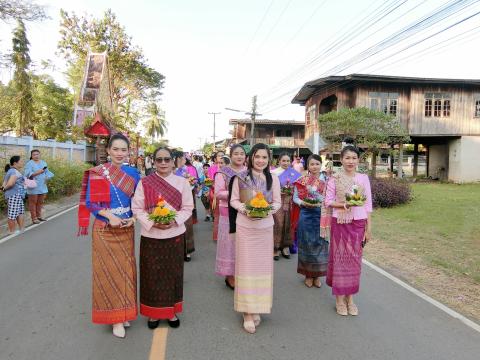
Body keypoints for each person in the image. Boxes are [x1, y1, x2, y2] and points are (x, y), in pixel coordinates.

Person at [77, 133, 140, 338]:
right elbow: (91, 203)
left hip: (126, 228)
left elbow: (138, 201)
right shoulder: (98, 172)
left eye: (124, 149)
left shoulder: (134, 173)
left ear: (128, 151)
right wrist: (109, 216)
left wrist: (135, 218)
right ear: (109, 151)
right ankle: (114, 320)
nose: (120, 153)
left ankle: (124, 312)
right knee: (108, 272)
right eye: (116, 149)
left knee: (126, 272)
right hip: (105, 229)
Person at [132, 147, 193, 329]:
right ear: (154, 162)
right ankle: (153, 313)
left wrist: (173, 221)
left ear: (173, 161)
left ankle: (171, 311)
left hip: (174, 234)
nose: (164, 163)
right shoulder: (145, 183)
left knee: (173, 274)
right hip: (151, 235)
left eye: (167, 159)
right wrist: (153, 222)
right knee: (152, 274)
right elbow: (137, 209)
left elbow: (188, 207)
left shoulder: (182, 183)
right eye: (159, 160)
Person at [229, 143, 281, 334]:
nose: (260, 161)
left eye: (264, 158)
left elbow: (277, 202)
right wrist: (246, 209)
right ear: (251, 158)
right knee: (246, 268)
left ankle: (257, 307)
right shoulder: (240, 177)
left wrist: (266, 210)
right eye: (257, 157)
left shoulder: (273, 178)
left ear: (268, 160)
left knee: (262, 269)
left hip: (265, 228)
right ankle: (247, 312)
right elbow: (234, 200)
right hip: (245, 227)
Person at [325, 145, 372, 316]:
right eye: (347, 158)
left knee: (354, 261)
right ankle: (339, 299)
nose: (350, 161)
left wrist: (369, 229)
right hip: (340, 221)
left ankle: (350, 299)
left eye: (354, 158)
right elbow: (328, 201)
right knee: (340, 260)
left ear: (358, 160)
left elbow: (368, 205)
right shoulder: (334, 178)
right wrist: (345, 204)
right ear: (341, 160)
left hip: (358, 223)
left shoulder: (363, 178)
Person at [292, 155, 329, 288]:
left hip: (322, 215)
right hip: (306, 214)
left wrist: (320, 203)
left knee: (320, 243)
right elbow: (295, 198)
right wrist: (304, 203)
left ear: (321, 164)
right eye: (312, 164)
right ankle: (308, 275)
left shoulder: (328, 180)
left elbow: (330, 198)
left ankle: (317, 275)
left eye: (317, 164)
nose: (314, 166)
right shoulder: (302, 180)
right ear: (308, 166)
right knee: (306, 243)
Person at [215, 145, 246, 290]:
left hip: (245, 212)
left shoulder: (249, 172)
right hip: (227, 212)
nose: (239, 156)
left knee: (242, 244)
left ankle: (241, 272)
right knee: (229, 244)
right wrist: (236, 194)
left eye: (242, 154)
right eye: (236, 154)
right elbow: (219, 193)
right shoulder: (223, 172)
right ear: (231, 156)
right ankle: (229, 275)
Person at [271, 153, 301, 260]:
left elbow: (298, 189)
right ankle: (275, 247)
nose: (286, 163)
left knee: (288, 224)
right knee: (278, 224)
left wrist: (292, 191)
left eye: (288, 161)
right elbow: (269, 189)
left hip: (290, 202)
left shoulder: (295, 174)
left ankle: (285, 246)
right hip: (277, 201)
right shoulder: (273, 173)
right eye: (283, 161)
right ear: (279, 161)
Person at [174, 153, 196, 261]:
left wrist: (191, 181)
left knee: (187, 224)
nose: (184, 160)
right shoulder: (171, 170)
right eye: (182, 158)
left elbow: (192, 180)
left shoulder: (186, 169)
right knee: (174, 225)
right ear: (177, 159)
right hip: (173, 201)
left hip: (185, 199)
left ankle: (187, 251)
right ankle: (177, 251)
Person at [24, 150, 54, 224]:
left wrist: (47, 177)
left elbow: (47, 172)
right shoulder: (29, 164)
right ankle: (34, 218)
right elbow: (27, 174)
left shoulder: (43, 162)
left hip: (42, 185)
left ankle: (39, 216)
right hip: (33, 185)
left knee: (40, 202)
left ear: (40, 155)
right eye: (34, 154)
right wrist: (38, 172)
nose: (36, 156)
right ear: (32, 156)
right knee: (33, 202)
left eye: (37, 154)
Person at [3, 156, 25, 234]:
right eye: (21, 161)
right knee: (12, 214)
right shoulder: (13, 171)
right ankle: (12, 231)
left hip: (18, 195)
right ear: (15, 163)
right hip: (14, 195)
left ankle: (21, 229)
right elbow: (11, 183)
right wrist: (4, 189)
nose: (22, 162)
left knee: (20, 212)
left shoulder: (14, 171)